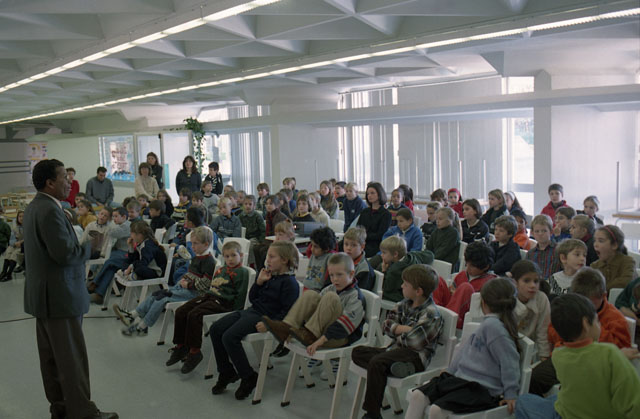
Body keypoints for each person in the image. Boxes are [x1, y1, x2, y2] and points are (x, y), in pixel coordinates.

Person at [23, 159, 118, 419]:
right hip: (60, 296)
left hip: (44, 297)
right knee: (71, 359)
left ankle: (61, 408)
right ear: (49, 183)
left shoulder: (34, 207)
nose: (69, 182)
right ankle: (83, 413)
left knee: (52, 360)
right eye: (64, 177)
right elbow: (65, 254)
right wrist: (90, 247)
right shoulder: (49, 211)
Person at [405, 278, 521, 419]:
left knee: (435, 408)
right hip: (462, 381)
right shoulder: (487, 325)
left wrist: (510, 393)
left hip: (480, 389)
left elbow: (509, 362)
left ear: (483, 303)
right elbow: (464, 352)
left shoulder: (494, 328)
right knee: (418, 396)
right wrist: (450, 372)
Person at [515, 293, 640, 419]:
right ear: (586, 324)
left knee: (523, 400)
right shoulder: (610, 353)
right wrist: (619, 355)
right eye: (597, 320)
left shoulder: (558, 355)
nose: (599, 325)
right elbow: (635, 402)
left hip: (567, 412)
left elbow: (586, 364)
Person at [209, 241, 300, 400]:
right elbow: (252, 298)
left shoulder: (290, 283)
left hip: (264, 318)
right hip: (251, 311)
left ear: (284, 260)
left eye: (271, 257)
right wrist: (259, 282)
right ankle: (226, 372)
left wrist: (269, 325)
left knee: (229, 337)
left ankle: (248, 376)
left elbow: (288, 313)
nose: (267, 260)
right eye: (267, 256)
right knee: (216, 329)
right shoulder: (268, 275)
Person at [352, 264, 444, 419]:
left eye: (405, 284)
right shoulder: (404, 304)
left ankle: (372, 414)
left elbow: (414, 343)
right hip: (395, 352)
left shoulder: (431, 314)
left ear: (418, 291)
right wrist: (407, 329)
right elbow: (386, 325)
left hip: (415, 357)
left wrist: (397, 331)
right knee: (357, 352)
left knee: (377, 362)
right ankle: (395, 368)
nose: (401, 286)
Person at [529, 267, 632, 396]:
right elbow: (552, 331)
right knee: (534, 378)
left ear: (603, 296)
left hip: (596, 366)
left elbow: (620, 351)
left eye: (589, 303)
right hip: (566, 356)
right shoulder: (570, 308)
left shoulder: (615, 319)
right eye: (580, 301)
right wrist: (566, 337)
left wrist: (591, 330)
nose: (583, 307)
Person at [114, 226, 215, 337]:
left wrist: (188, 284)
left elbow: (206, 283)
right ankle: (133, 315)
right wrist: (185, 279)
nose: (192, 246)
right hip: (185, 288)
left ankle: (143, 326)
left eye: (195, 243)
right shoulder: (197, 256)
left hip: (196, 293)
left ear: (206, 244)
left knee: (162, 298)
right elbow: (191, 274)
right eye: (192, 243)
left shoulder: (209, 261)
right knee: (156, 294)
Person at [165, 239, 248, 373]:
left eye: (234, 255)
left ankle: (195, 352)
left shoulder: (242, 272)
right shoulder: (221, 269)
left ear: (241, 255)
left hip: (224, 302)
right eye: (227, 256)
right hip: (210, 296)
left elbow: (241, 294)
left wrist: (236, 312)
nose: (230, 259)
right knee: (181, 311)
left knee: (194, 315)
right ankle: (181, 346)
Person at [259, 252, 365, 355]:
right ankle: (286, 328)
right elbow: (316, 312)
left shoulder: (355, 297)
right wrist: (294, 332)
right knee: (311, 294)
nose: (335, 279)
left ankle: (310, 334)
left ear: (351, 274)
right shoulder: (330, 288)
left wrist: (319, 341)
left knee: (331, 297)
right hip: (319, 333)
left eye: (339, 275)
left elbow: (344, 327)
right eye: (331, 275)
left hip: (337, 338)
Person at [446, 241, 496, 328]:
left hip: (464, 319)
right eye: (467, 263)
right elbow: (450, 291)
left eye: (472, 266)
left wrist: (458, 294)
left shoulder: (490, 283)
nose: (467, 267)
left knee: (466, 287)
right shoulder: (462, 275)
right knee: (437, 279)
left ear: (485, 267)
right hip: (449, 307)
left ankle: (447, 321)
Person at [511, 260, 551, 360]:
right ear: (515, 282)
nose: (533, 285)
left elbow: (543, 331)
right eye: (526, 281)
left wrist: (544, 357)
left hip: (531, 349)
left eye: (536, 281)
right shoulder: (507, 298)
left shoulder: (541, 299)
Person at [379, 235, 434, 302]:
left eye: (384, 253)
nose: (381, 255)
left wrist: (384, 270)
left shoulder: (394, 271)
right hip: (416, 294)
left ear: (395, 254)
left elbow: (386, 287)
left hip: (404, 297)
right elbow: (430, 255)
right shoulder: (412, 256)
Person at [591, 225, 636, 291]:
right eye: (595, 240)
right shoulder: (595, 266)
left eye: (601, 241)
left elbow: (626, 282)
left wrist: (601, 290)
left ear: (614, 245)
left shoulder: (628, 262)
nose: (595, 244)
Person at [357, 182, 392, 258]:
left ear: (379, 194)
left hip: (375, 245)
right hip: (361, 241)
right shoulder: (364, 212)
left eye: (372, 193)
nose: (369, 196)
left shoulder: (386, 214)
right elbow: (358, 228)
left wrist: (364, 236)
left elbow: (381, 234)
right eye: (368, 194)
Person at [302, 227, 337, 292]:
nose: (312, 249)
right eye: (311, 245)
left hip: (318, 290)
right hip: (306, 287)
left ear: (326, 249)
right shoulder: (313, 254)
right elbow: (308, 251)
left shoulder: (330, 257)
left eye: (316, 247)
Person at [527, 214, 561, 281]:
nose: (540, 234)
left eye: (544, 231)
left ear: (551, 232)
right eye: (537, 231)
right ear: (532, 233)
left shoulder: (558, 250)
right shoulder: (530, 254)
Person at [343, 226, 376, 291]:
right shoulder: (341, 261)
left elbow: (359, 293)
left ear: (362, 247)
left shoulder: (364, 270)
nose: (348, 248)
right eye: (346, 244)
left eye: (353, 245)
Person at [0, 210, 25, 282]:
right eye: (20, 216)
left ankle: (9, 274)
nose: (21, 218)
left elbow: (28, 238)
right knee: (8, 253)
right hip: (15, 244)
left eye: (23, 216)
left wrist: (21, 242)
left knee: (14, 255)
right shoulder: (15, 227)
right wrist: (14, 243)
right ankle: (3, 272)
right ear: (17, 218)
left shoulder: (28, 227)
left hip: (22, 246)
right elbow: (11, 238)